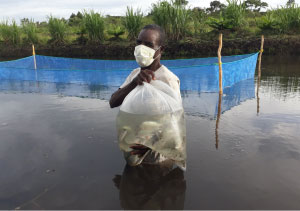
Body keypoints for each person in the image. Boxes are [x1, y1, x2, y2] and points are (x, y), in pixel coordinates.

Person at [109, 24, 181, 166]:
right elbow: (113, 102)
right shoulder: (135, 74)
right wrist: (134, 83)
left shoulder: (168, 80)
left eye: (148, 45)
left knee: (154, 183)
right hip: (133, 147)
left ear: (161, 50)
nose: (142, 48)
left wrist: (150, 145)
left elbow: (175, 124)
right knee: (133, 183)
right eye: (139, 43)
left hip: (157, 155)